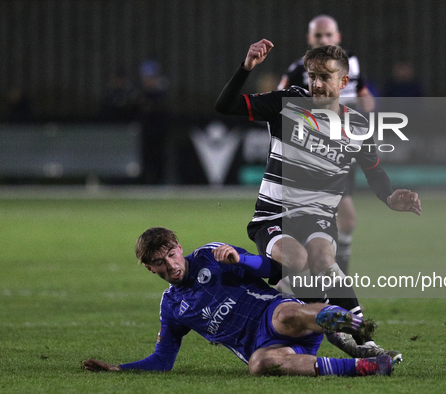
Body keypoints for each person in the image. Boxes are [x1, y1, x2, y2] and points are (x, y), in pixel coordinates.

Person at [215, 39, 421, 356]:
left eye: (325, 77)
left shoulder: (358, 125)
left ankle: (364, 340)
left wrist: (391, 197)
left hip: (317, 217)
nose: (316, 84)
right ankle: (330, 322)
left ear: (343, 82)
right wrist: (246, 68)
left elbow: (375, 173)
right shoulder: (288, 104)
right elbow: (225, 106)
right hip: (273, 216)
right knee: (297, 260)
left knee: (324, 260)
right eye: (312, 76)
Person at [82, 227, 396, 377]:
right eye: (159, 263)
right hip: (264, 348)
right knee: (258, 366)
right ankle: (367, 367)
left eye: (171, 255)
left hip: (273, 314)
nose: (170, 265)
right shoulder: (172, 308)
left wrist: (242, 259)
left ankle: (347, 322)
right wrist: (119, 368)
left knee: (286, 315)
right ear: (150, 268)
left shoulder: (210, 254)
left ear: (178, 247)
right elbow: (163, 360)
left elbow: (273, 268)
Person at [277, 15, 374, 277]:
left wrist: (366, 105)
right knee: (311, 222)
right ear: (309, 40)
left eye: (328, 35)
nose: (324, 40)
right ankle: (298, 281)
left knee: (347, 220)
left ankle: (329, 279)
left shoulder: (351, 63)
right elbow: (279, 105)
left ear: (338, 37)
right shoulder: (298, 71)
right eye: (318, 36)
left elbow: (363, 93)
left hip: (342, 151)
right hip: (313, 155)